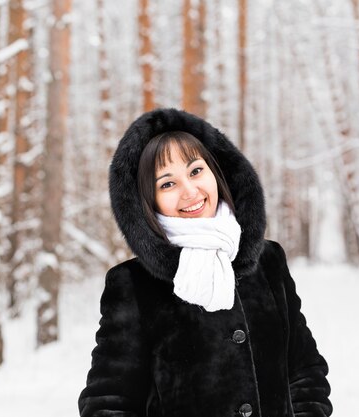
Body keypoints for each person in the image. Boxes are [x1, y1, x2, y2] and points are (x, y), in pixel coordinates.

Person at [78, 108, 332, 417]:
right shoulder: (133, 284)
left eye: (196, 171)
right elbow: (107, 402)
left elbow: (306, 371)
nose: (190, 191)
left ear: (218, 172)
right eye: (167, 184)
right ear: (148, 200)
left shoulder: (268, 262)